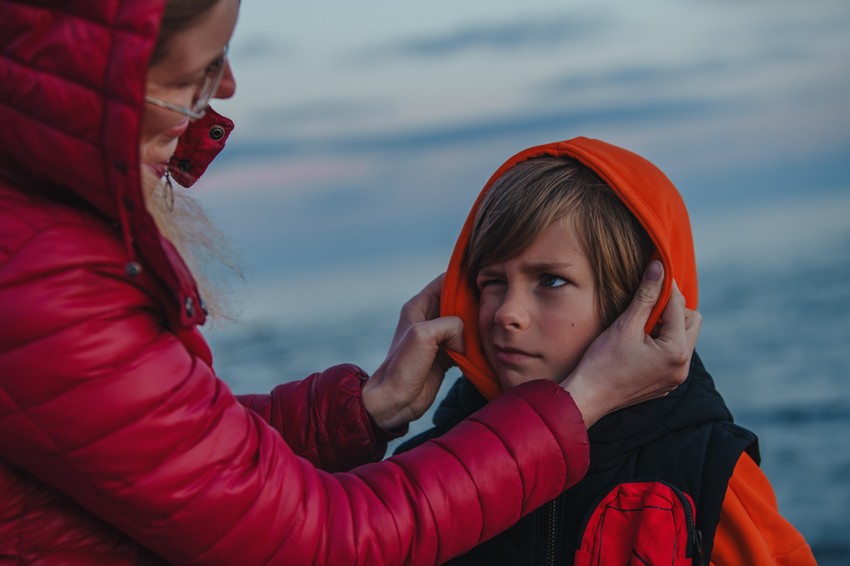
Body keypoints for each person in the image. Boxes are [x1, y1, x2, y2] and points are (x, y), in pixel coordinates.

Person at [0, 3, 699, 565]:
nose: (228, 86)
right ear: (113, 74)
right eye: (201, 70)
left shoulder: (698, 460)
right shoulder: (43, 276)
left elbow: (168, 452)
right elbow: (325, 541)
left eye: (549, 281)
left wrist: (364, 408)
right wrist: (581, 405)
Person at [396, 137, 816, 565]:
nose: (507, 313)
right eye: (492, 282)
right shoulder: (422, 475)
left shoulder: (706, 471)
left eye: (550, 280)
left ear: (638, 306)